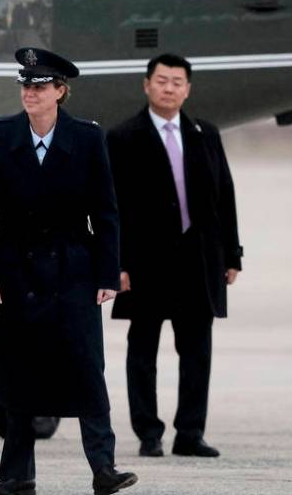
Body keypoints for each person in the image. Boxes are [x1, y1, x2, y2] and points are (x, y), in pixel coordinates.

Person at [0, 48, 137, 495]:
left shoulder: (85, 137)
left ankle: (104, 467)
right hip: (15, 270)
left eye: (40, 86)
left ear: (61, 92)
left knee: (85, 368)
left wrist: (107, 273)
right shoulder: (0, 135)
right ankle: (15, 475)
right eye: (26, 86)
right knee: (19, 374)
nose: (31, 93)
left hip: (71, 270)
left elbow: (106, 212)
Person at [108, 53, 243, 458]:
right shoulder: (123, 137)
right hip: (145, 262)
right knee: (143, 351)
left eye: (177, 82)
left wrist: (232, 255)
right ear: (146, 85)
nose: (169, 88)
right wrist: (117, 263)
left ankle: (190, 433)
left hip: (198, 260)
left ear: (188, 89)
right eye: (162, 80)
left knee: (198, 351)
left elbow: (225, 197)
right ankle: (149, 433)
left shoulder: (206, 133)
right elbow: (111, 206)